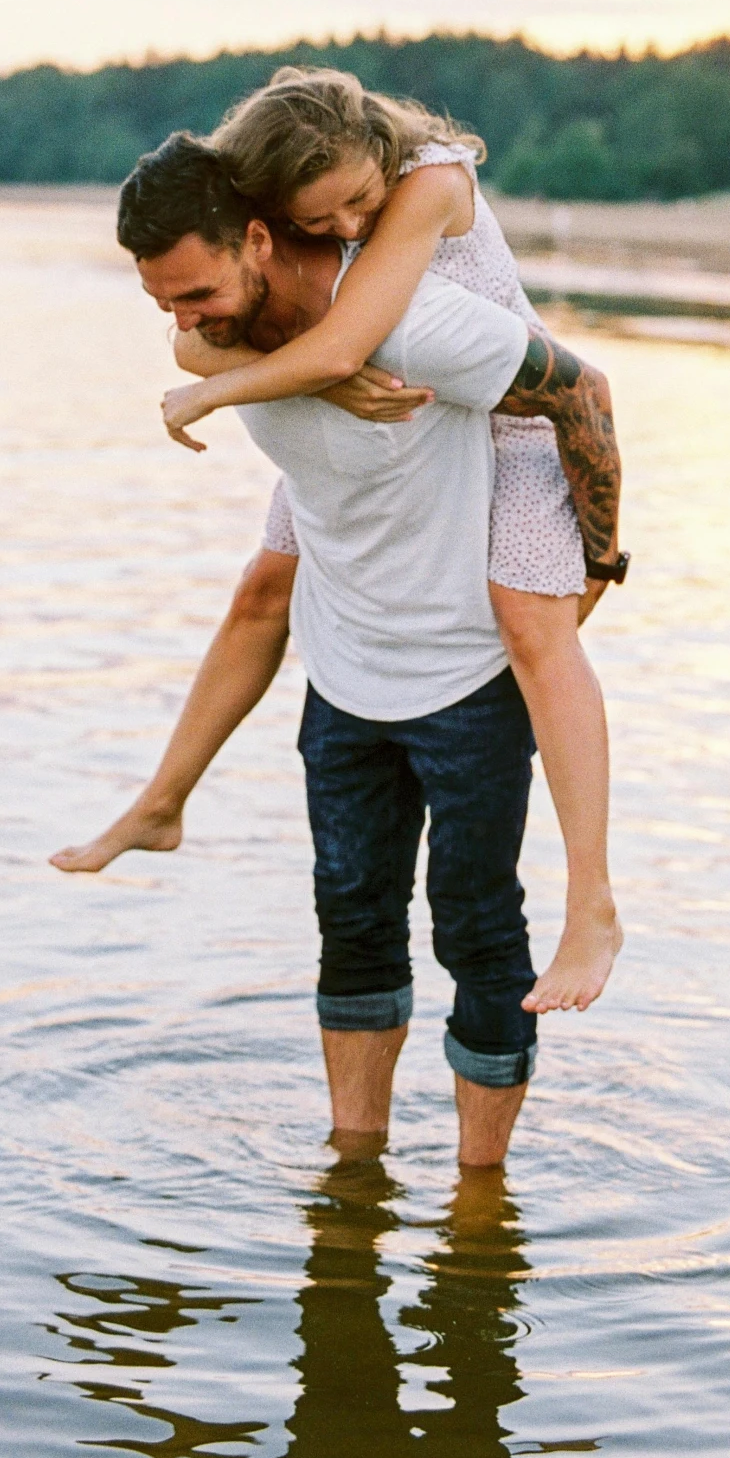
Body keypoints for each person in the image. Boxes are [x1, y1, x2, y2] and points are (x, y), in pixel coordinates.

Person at [52, 135, 622, 1166]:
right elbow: (209, 354)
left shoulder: (413, 322)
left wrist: (600, 553)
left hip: (466, 665)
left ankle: (478, 1192)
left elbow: (580, 394)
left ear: (260, 240)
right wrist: (290, 375)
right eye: (162, 303)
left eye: (196, 291)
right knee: (351, 921)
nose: (182, 323)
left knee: (476, 932)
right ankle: (350, 1173)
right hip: (347, 666)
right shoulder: (223, 339)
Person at [151, 68, 626, 1013]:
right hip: (403, 434)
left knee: (533, 630)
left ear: (378, 153)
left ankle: (592, 906)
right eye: (315, 224)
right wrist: (309, 380)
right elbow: (241, 342)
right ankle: (162, 798)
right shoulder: (324, 208)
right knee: (268, 580)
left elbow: (338, 345)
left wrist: (605, 551)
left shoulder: (428, 184)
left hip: (510, 425)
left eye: (353, 208)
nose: (341, 233)